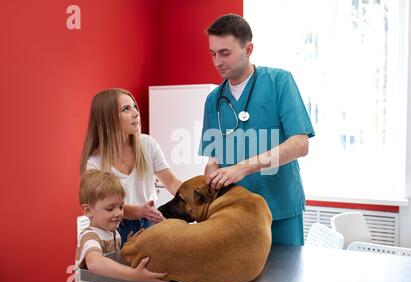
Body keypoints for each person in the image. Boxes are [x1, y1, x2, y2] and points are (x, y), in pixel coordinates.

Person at [199, 14, 315, 246]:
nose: (217, 62)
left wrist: (243, 168)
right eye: (213, 53)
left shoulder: (279, 82)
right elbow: (213, 157)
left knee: (285, 279)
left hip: (279, 207)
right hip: (235, 212)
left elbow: (301, 145)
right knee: (242, 280)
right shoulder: (214, 100)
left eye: (225, 53)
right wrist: (212, 171)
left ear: (248, 48)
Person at [80, 88, 182, 245]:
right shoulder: (95, 163)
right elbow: (103, 206)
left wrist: (196, 199)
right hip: (115, 228)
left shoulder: (147, 144)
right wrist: (139, 211)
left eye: (134, 106)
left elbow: (173, 183)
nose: (136, 113)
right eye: (126, 109)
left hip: (151, 223)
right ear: (108, 118)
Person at [75, 169, 168, 282]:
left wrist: (126, 249)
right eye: (110, 208)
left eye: (121, 207)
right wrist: (134, 275)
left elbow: (114, 260)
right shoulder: (89, 236)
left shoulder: (114, 234)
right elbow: (95, 263)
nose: (118, 213)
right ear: (88, 210)